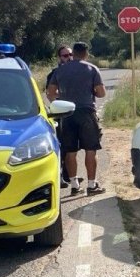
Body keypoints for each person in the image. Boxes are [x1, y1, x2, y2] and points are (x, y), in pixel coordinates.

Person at [46, 42, 107, 195]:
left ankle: (74, 185)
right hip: (86, 112)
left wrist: (59, 102)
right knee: (91, 149)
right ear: (86, 53)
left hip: (66, 113)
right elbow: (101, 93)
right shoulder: (92, 69)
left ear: (74, 53)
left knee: (70, 151)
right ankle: (92, 185)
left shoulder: (60, 70)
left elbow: (50, 92)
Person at [45, 46, 73, 187]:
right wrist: (61, 100)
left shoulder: (75, 72)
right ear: (59, 57)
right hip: (60, 114)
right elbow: (50, 94)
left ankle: (70, 176)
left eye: (70, 54)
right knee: (61, 145)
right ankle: (60, 176)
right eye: (65, 55)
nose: (68, 57)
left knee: (72, 147)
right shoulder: (54, 74)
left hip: (74, 112)